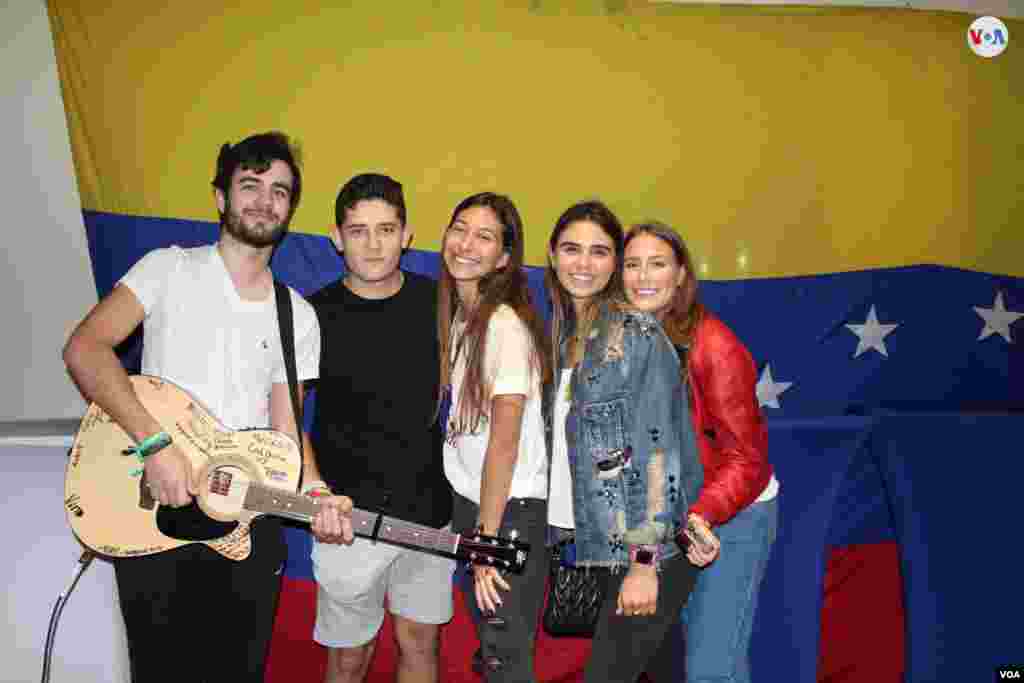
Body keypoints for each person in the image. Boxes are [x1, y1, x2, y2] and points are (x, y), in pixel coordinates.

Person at [62, 131, 355, 682]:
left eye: (280, 191)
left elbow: (286, 428)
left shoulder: (298, 315)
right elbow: (85, 349)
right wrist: (155, 443)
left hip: (247, 515)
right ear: (221, 197)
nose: (265, 200)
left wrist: (315, 491)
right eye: (251, 185)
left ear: (290, 209)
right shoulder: (166, 268)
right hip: (155, 504)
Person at [545, 200, 718, 683]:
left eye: (599, 252)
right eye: (572, 249)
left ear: (614, 264)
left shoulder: (635, 333)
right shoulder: (566, 335)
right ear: (552, 256)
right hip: (600, 545)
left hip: (646, 551)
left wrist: (643, 563)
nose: (583, 263)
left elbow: (656, 455)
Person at [304, 173, 455, 683]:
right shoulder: (311, 314)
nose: (373, 243)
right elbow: (284, 416)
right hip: (344, 518)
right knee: (349, 657)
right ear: (336, 237)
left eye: (386, 229)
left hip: (428, 512)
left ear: (408, 234)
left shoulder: (440, 303)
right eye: (359, 230)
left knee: (420, 646)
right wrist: (315, 490)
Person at [623, 222, 777, 683]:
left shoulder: (716, 345)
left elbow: (747, 459)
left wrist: (702, 514)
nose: (643, 276)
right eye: (632, 264)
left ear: (680, 274)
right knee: (673, 660)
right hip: (667, 515)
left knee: (713, 666)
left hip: (731, 515)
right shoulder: (630, 337)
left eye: (657, 264)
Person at [438, 192, 550, 682]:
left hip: (508, 516)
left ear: (504, 257)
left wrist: (486, 542)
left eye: (484, 236)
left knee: (505, 660)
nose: (465, 243)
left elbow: (503, 444)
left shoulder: (504, 326)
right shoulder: (466, 318)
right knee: (492, 653)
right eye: (459, 228)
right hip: (479, 508)